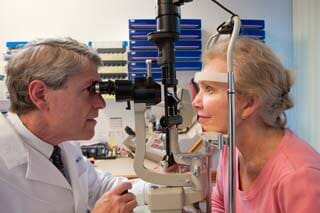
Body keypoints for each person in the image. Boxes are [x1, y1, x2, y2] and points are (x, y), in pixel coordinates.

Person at [0, 37, 147, 213]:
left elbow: (102, 188)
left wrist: (164, 183)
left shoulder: (61, 143)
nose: (101, 103)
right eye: (90, 90)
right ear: (40, 95)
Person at [192, 37, 320, 212]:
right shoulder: (231, 150)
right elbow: (219, 204)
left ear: (249, 103)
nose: (195, 102)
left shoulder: (299, 176)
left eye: (209, 89)